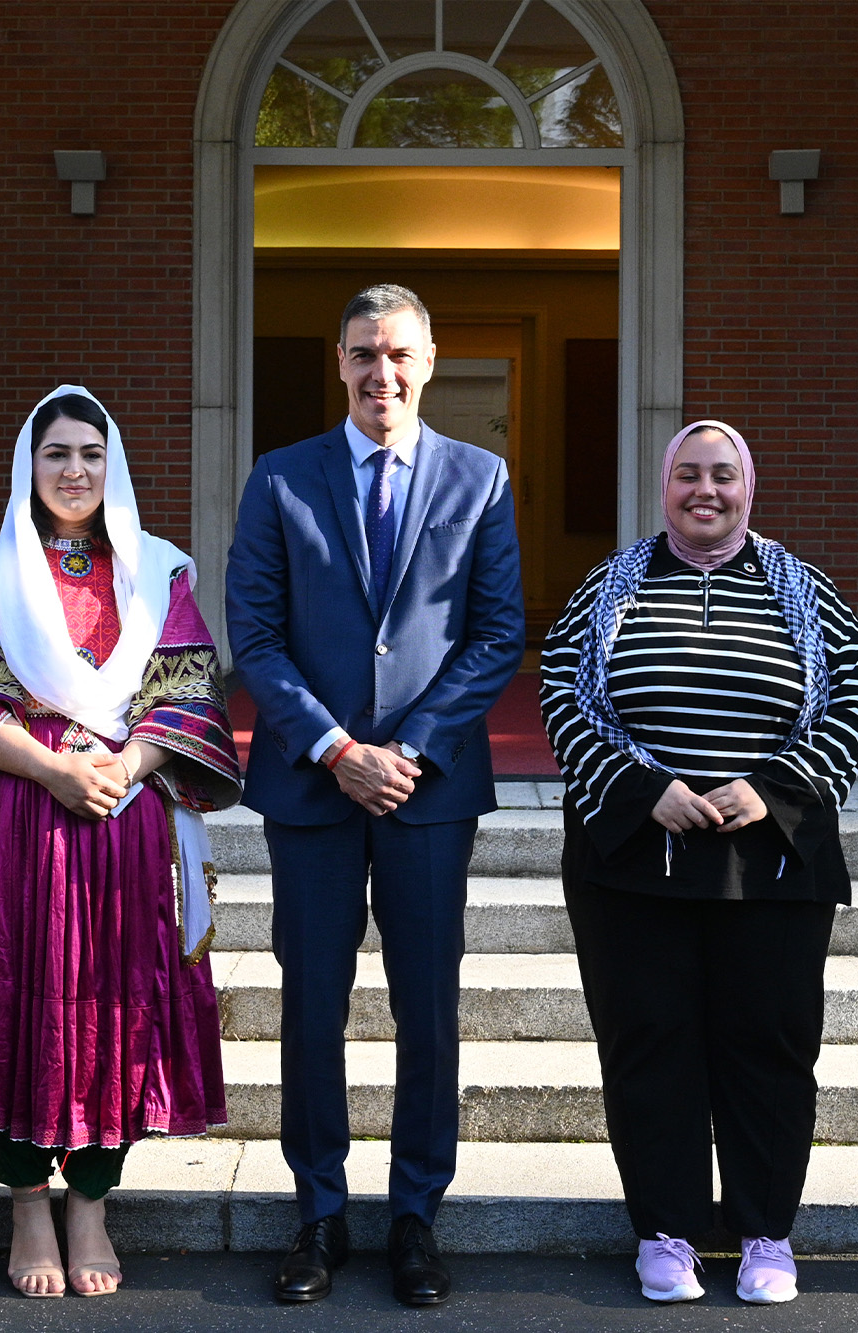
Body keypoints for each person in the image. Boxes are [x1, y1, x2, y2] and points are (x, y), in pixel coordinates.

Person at [0, 386, 241, 1299]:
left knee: (110, 1000)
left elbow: (190, 690)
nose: (75, 470)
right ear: (29, 466)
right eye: (56, 454)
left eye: (91, 452)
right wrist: (52, 770)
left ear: (112, 463)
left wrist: (128, 764)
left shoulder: (154, 569)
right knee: (16, 994)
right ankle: (25, 1204)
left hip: (122, 820)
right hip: (12, 816)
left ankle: (90, 1199)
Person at [226, 283, 524, 1307]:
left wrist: (408, 748)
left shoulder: (480, 478)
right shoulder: (279, 479)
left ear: (429, 360)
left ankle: (412, 1215)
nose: (379, 373)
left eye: (398, 354)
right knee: (311, 1006)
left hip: (428, 791)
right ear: (340, 362)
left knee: (425, 1008)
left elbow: (495, 632)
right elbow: (255, 637)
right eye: (362, 354)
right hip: (312, 788)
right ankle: (317, 1210)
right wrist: (334, 746)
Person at [539, 419, 858, 1306]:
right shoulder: (609, 585)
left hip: (770, 863)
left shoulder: (803, 585)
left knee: (769, 1048)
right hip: (635, 862)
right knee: (651, 1044)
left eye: (722, 475)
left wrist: (774, 786)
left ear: (747, 487)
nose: (705, 490)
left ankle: (768, 1231)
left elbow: (854, 690)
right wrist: (641, 783)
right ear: (664, 487)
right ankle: (667, 1230)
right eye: (687, 474)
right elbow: (562, 691)